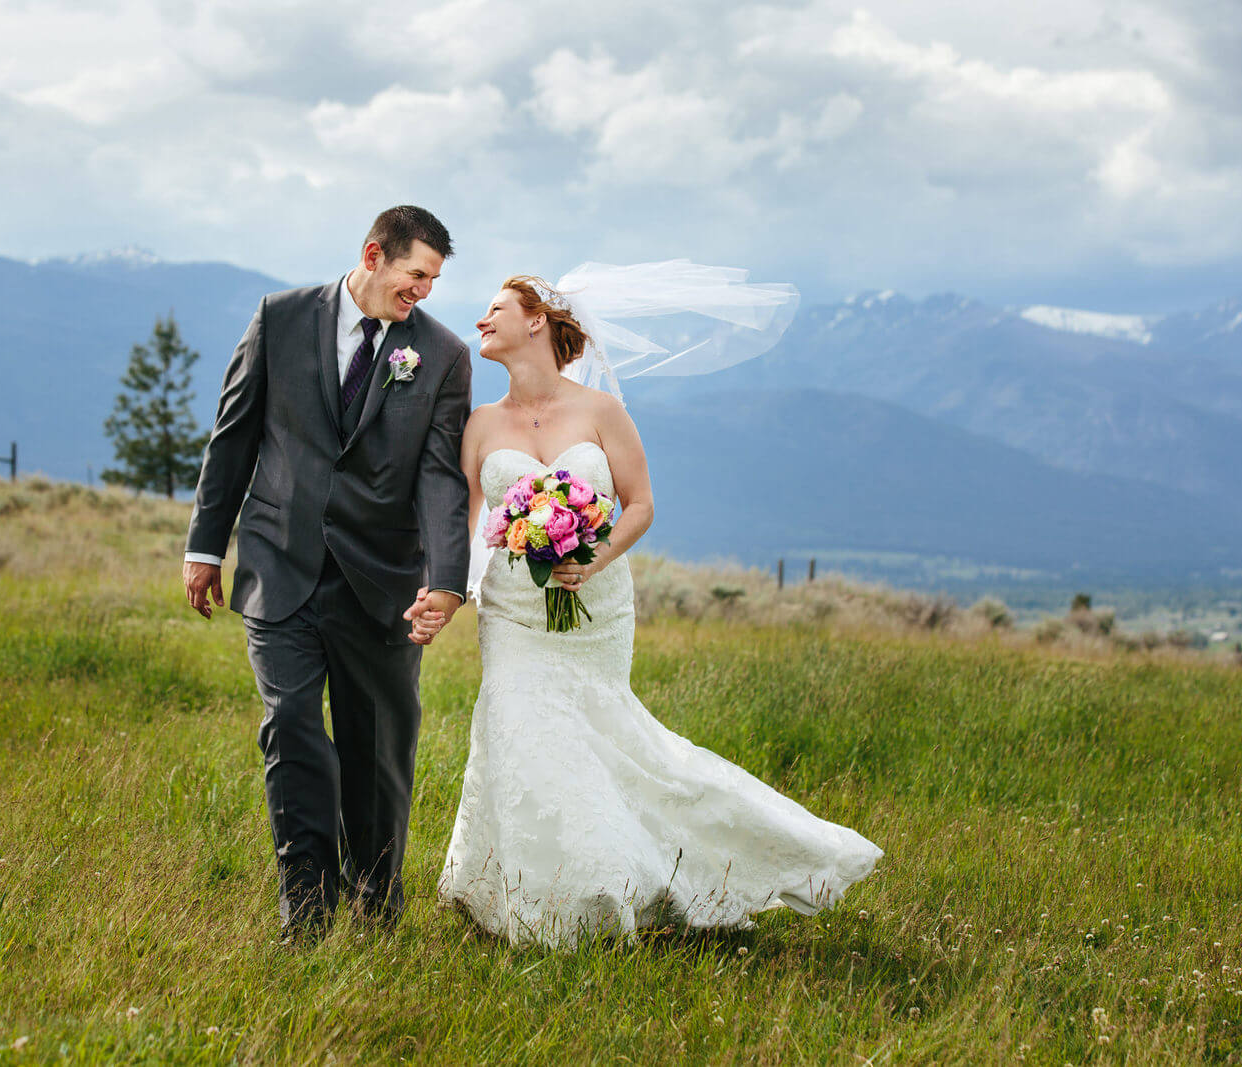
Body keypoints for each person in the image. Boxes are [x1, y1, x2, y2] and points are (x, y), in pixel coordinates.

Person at [420, 273, 882, 948]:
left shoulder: (602, 411)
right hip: (515, 612)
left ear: (538, 321)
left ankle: (662, 872)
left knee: (607, 739)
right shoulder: (482, 424)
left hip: (596, 605)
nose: (480, 320)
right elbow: (460, 524)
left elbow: (639, 504)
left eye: (495, 310)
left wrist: (591, 557)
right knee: (521, 730)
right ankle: (541, 895)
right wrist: (442, 595)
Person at [183, 206, 472, 936]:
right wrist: (204, 546)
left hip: (381, 582)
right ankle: (304, 905)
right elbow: (234, 435)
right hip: (280, 565)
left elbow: (441, 476)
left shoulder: (441, 355)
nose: (424, 292)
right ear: (374, 255)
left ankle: (375, 897)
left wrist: (446, 578)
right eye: (416, 275)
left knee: (377, 751)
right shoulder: (279, 319)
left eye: (434, 280)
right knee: (290, 726)